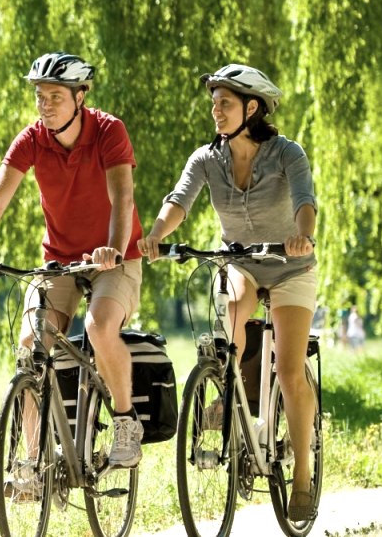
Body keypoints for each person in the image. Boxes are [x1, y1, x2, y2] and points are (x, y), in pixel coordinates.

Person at [137, 63, 320, 520]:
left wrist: (302, 235)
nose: (215, 111)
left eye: (225, 103)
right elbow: (178, 200)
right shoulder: (206, 158)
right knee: (229, 327)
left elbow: (304, 202)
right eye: (214, 104)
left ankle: (301, 474)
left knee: (291, 370)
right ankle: (227, 391)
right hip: (238, 260)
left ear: (251, 108)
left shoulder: (286, 153)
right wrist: (155, 235)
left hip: (289, 265)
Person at [0, 52, 146, 471]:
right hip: (60, 260)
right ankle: (33, 460)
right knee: (29, 344)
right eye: (40, 95)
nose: (45, 104)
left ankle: (126, 420)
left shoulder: (109, 131)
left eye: (55, 96)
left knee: (98, 326)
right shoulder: (32, 139)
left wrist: (113, 249)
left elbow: (122, 198)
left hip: (116, 258)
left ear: (81, 96)